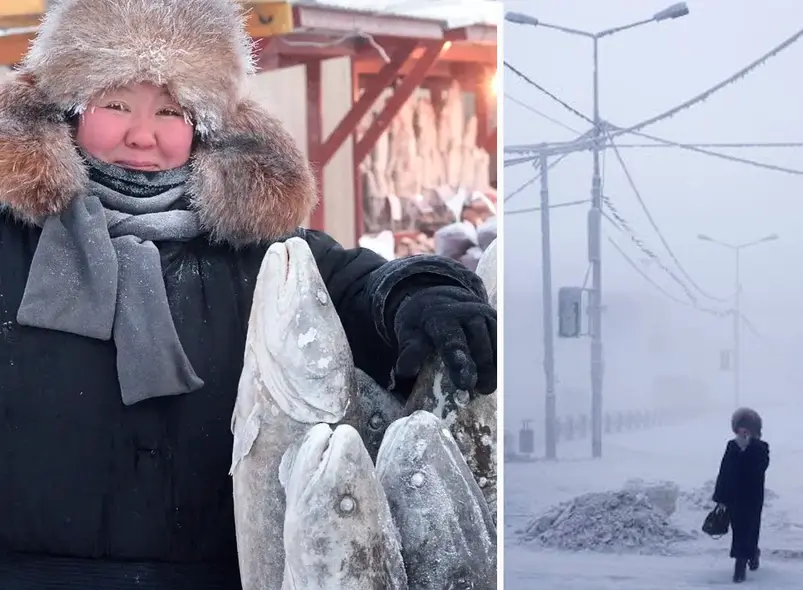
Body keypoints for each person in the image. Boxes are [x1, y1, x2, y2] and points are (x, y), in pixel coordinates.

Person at [0, 1, 497, 588]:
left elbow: (358, 286)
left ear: (206, 126)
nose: (143, 134)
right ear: (70, 108)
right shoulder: (13, 241)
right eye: (115, 105)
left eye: (171, 111)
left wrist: (421, 294)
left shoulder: (256, 251)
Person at [712, 407, 769, 583]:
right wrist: (720, 496)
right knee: (739, 530)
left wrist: (749, 449)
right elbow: (724, 471)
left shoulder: (761, 447)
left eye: (748, 428)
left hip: (752, 497)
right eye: (741, 428)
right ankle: (742, 562)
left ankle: (749, 557)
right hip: (734, 497)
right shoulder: (732, 446)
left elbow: (760, 468)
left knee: (750, 529)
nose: (744, 431)